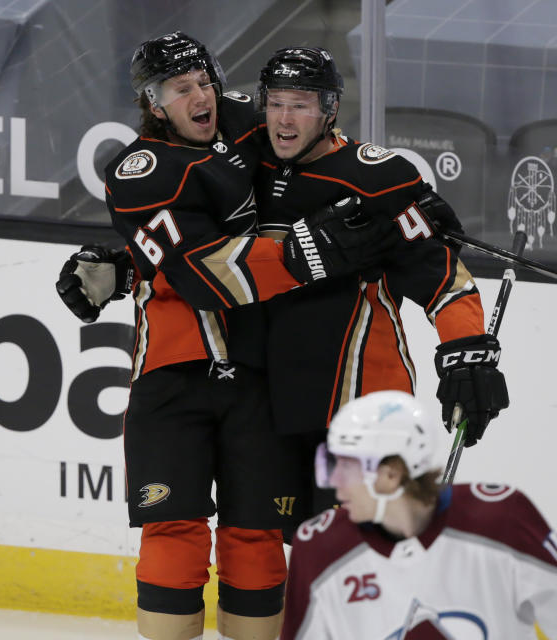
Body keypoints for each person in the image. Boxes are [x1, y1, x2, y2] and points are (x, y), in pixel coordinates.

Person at [56, 32, 392, 640]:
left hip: (259, 372)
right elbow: (208, 277)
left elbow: (322, 148)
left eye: (205, 81)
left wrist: (406, 203)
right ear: (154, 104)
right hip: (172, 377)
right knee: (175, 532)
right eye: (182, 89)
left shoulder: (245, 121)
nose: (201, 95)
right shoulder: (138, 172)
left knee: (255, 537)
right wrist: (309, 252)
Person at [251, 47, 508, 527]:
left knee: (368, 554)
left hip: (366, 410)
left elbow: (444, 281)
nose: (285, 119)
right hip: (275, 404)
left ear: (329, 110)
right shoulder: (247, 166)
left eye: (301, 104)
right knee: (285, 563)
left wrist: (466, 350)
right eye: (276, 102)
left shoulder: (375, 177)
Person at [281, 390, 557, 640]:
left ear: (392, 474)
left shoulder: (500, 522)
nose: (335, 485)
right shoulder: (320, 548)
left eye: (346, 467)